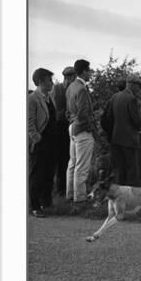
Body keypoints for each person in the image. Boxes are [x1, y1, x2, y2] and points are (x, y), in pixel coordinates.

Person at [65, 59, 97, 202]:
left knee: (72, 164)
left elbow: (69, 110)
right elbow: (84, 114)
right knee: (82, 166)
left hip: (72, 126)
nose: (90, 74)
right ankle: (80, 198)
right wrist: (91, 128)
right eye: (89, 71)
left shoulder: (71, 86)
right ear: (84, 71)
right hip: (82, 129)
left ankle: (70, 194)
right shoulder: (82, 89)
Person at [28, 68, 57, 217]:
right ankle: (34, 206)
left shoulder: (48, 97)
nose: (52, 83)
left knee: (48, 173)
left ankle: (46, 202)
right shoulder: (32, 98)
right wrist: (35, 137)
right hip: (41, 142)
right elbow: (29, 121)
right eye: (49, 80)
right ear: (40, 82)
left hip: (51, 141)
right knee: (37, 174)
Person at [107, 73, 141, 186]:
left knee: (120, 170)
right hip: (129, 139)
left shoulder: (115, 96)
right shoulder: (132, 99)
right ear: (133, 85)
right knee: (132, 171)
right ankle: (132, 199)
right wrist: (139, 127)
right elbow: (136, 121)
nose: (139, 89)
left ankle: (119, 197)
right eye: (139, 86)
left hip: (116, 139)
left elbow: (109, 118)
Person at [51, 66, 76, 196]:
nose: (73, 79)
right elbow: (56, 109)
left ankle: (66, 187)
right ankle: (61, 187)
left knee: (68, 158)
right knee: (62, 158)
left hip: (68, 125)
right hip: (60, 126)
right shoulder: (57, 89)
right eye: (72, 77)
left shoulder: (69, 89)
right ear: (68, 77)